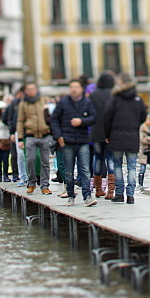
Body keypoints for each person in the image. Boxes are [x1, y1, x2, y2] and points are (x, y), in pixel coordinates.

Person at [50, 79, 97, 207]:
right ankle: (71, 195)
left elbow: (94, 118)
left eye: (76, 87)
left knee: (85, 170)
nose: (74, 89)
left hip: (83, 140)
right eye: (71, 87)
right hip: (67, 141)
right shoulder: (63, 102)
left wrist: (81, 121)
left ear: (81, 89)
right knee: (69, 171)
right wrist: (58, 136)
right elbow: (54, 119)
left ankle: (87, 196)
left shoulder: (87, 102)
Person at [103, 73, 148, 204]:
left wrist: (107, 135)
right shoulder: (138, 99)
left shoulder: (115, 99)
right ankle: (130, 195)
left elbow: (107, 118)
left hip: (116, 137)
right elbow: (143, 116)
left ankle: (119, 193)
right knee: (132, 166)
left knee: (117, 165)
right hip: (132, 137)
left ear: (121, 83)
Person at [17, 82, 53, 195]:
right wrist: (20, 138)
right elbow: (20, 121)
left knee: (45, 161)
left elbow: (50, 116)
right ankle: (32, 182)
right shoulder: (23, 104)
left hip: (44, 134)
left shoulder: (43, 100)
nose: (32, 91)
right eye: (29, 89)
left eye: (33, 89)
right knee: (30, 160)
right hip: (30, 135)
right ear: (26, 91)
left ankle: (45, 185)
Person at [89, 71, 116, 199]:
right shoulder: (113, 94)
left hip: (96, 132)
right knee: (111, 160)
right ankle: (110, 191)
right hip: (111, 132)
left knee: (98, 159)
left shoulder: (93, 95)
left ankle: (98, 189)